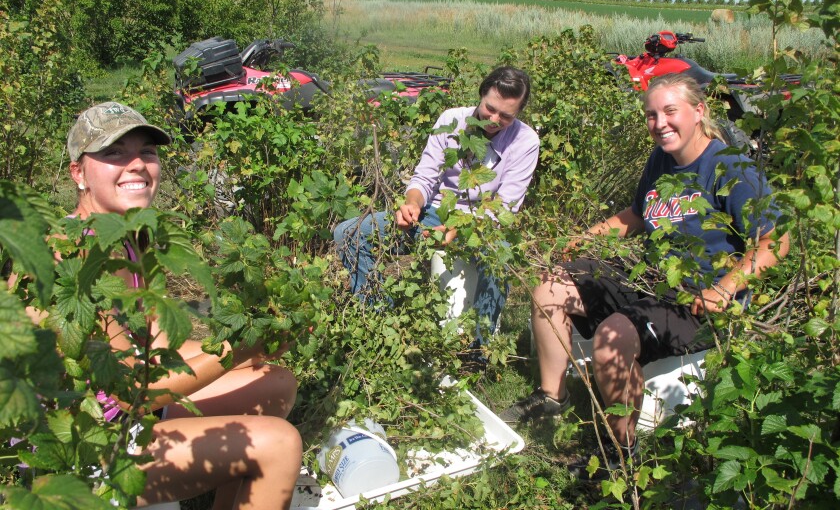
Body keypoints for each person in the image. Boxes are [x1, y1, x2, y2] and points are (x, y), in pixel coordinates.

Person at [500, 73, 790, 479]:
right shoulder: (661, 160)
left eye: (670, 111)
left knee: (611, 339)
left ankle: (621, 455)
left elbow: (777, 240)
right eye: (652, 115)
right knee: (550, 287)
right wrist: (583, 237)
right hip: (651, 277)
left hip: (695, 294)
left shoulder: (730, 167)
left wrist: (725, 287)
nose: (660, 123)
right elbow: (637, 216)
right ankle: (553, 396)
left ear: (699, 111)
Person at [65, 102, 302, 509]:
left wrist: (253, 345)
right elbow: (131, 394)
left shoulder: (131, 233)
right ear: (78, 173)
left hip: (131, 419)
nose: (137, 164)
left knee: (275, 381)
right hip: (89, 446)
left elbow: (157, 347)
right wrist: (232, 352)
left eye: (147, 151)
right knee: (280, 444)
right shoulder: (77, 259)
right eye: (114, 153)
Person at [333, 66, 539, 344]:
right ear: (481, 95)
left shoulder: (525, 141)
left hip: (483, 227)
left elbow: (504, 208)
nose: (494, 119)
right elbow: (426, 176)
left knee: (499, 259)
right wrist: (412, 204)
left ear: (518, 114)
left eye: (506, 116)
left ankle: (480, 347)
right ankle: (379, 324)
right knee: (350, 233)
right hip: (432, 216)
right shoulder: (452, 120)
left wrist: (461, 229)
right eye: (490, 108)